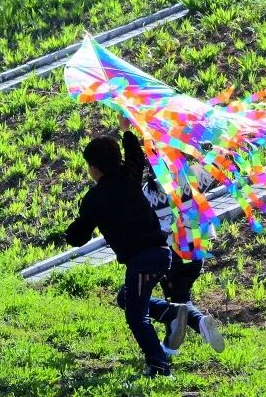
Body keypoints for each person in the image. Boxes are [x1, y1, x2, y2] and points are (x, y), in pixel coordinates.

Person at [65, 115, 189, 378]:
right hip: (161, 254)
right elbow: (135, 155)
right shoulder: (129, 175)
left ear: (93, 168)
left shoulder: (95, 198)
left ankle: (159, 367)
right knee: (127, 297)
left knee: (136, 318)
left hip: (143, 261)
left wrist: (71, 230)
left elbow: (78, 237)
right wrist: (126, 130)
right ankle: (170, 313)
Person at [142, 170, 226, 354]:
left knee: (177, 304)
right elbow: (211, 172)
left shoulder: (149, 191)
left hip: (173, 256)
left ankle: (199, 322)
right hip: (196, 252)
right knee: (179, 300)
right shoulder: (191, 177)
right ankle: (170, 346)